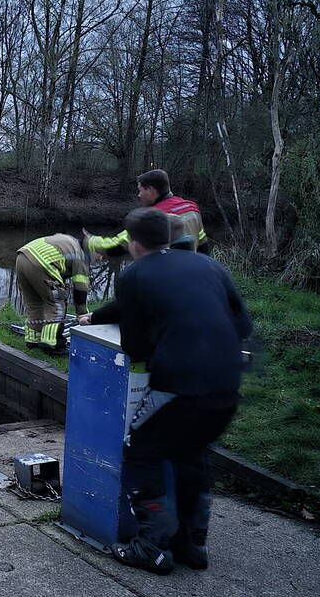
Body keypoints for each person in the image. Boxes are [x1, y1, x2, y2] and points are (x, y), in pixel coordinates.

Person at [78, 208, 252, 575]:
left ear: (133, 243)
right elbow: (243, 324)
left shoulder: (136, 274)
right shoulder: (208, 265)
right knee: (192, 453)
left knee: (141, 448)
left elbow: (135, 346)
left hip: (178, 387)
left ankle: (152, 546)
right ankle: (193, 544)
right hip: (227, 384)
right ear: (169, 238)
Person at [85, 169, 211, 257]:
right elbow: (202, 244)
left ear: (151, 190)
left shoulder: (153, 217)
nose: (139, 195)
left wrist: (89, 241)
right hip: (192, 273)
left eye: (140, 190)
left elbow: (116, 246)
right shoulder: (191, 208)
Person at [15, 233, 90, 354]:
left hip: (22, 257)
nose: (101, 258)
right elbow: (80, 287)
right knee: (57, 304)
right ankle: (52, 344)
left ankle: (32, 340)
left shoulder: (69, 241)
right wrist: (82, 314)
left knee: (35, 303)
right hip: (40, 261)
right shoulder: (81, 256)